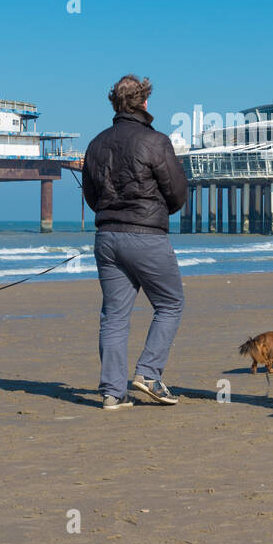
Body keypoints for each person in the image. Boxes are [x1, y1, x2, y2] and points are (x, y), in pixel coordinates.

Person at [82, 74, 188, 411]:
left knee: (113, 317)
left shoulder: (96, 144)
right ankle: (148, 373)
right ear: (144, 102)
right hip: (145, 236)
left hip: (107, 236)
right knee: (170, 304)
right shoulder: (155, 141)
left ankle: (113, 392)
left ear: (114, 103)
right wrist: (156, 212)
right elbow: (177, 193)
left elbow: (91, 196)